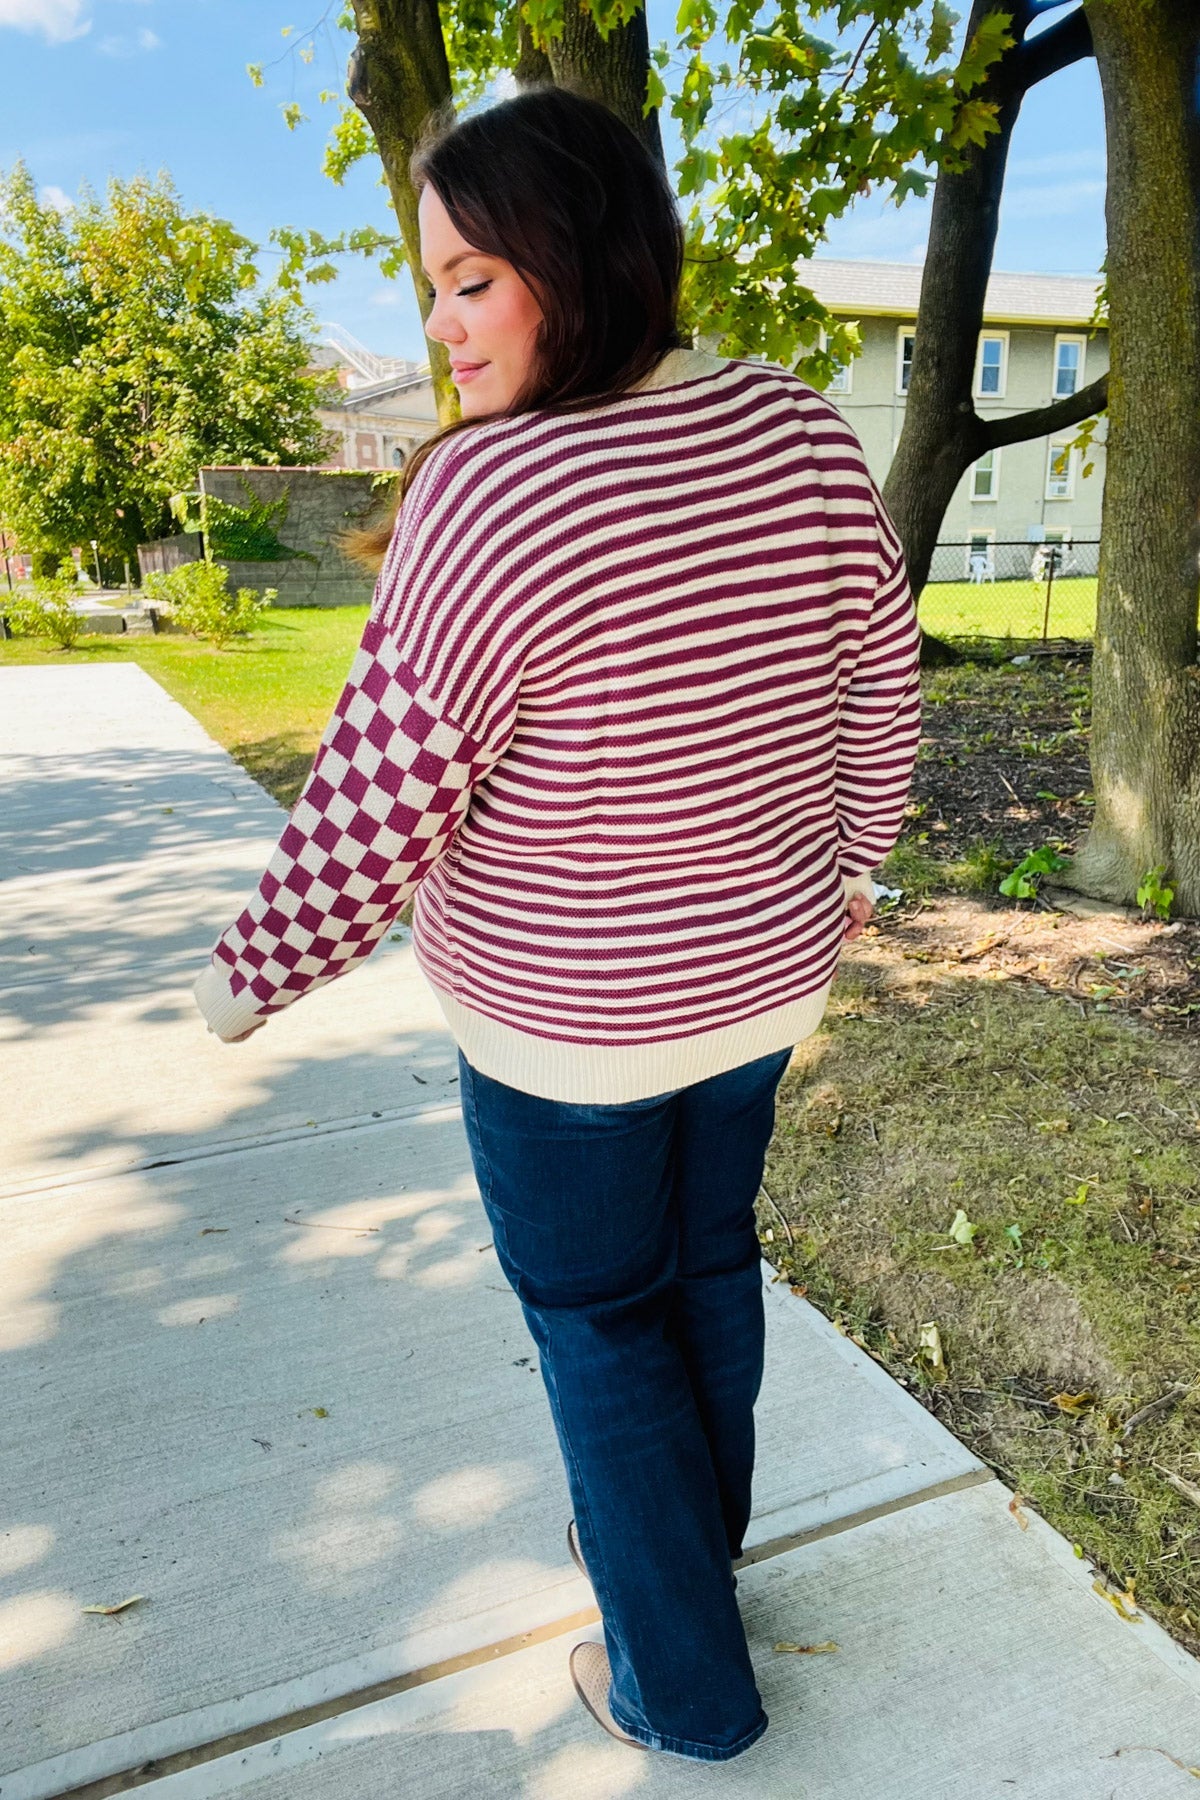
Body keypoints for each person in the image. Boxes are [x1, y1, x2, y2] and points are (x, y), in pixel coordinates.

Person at [193, 84, 922, 1763]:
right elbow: (879, 678)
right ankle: (684, 1576)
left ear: (579, 256)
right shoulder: (800, 429)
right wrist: (858, 862)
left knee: (597, 1325)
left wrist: (251, 978)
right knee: (705, 1277)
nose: (445, 326)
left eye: (474, 279)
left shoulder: (498, 494)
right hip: (756, 988)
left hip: (568, 1031)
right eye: (433, 286)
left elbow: (386, 790)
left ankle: (680, 1683)